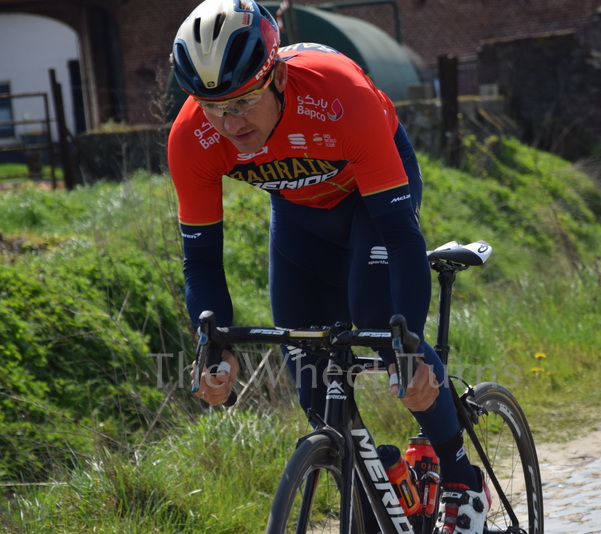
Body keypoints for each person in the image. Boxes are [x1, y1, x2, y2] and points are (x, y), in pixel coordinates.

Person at [167, 0, 490, 531]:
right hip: (300, 218)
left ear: (278, 77)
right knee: (309, 365)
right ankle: (380, 475)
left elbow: (400, 237)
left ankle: (459, 475)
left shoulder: (341, 96)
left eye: (245, 100)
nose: (231, 122)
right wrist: (213, 345)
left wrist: (406, 346)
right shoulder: (193, 139)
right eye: (212, 105)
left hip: (373, 203)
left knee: (377, 317)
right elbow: (200, 259)